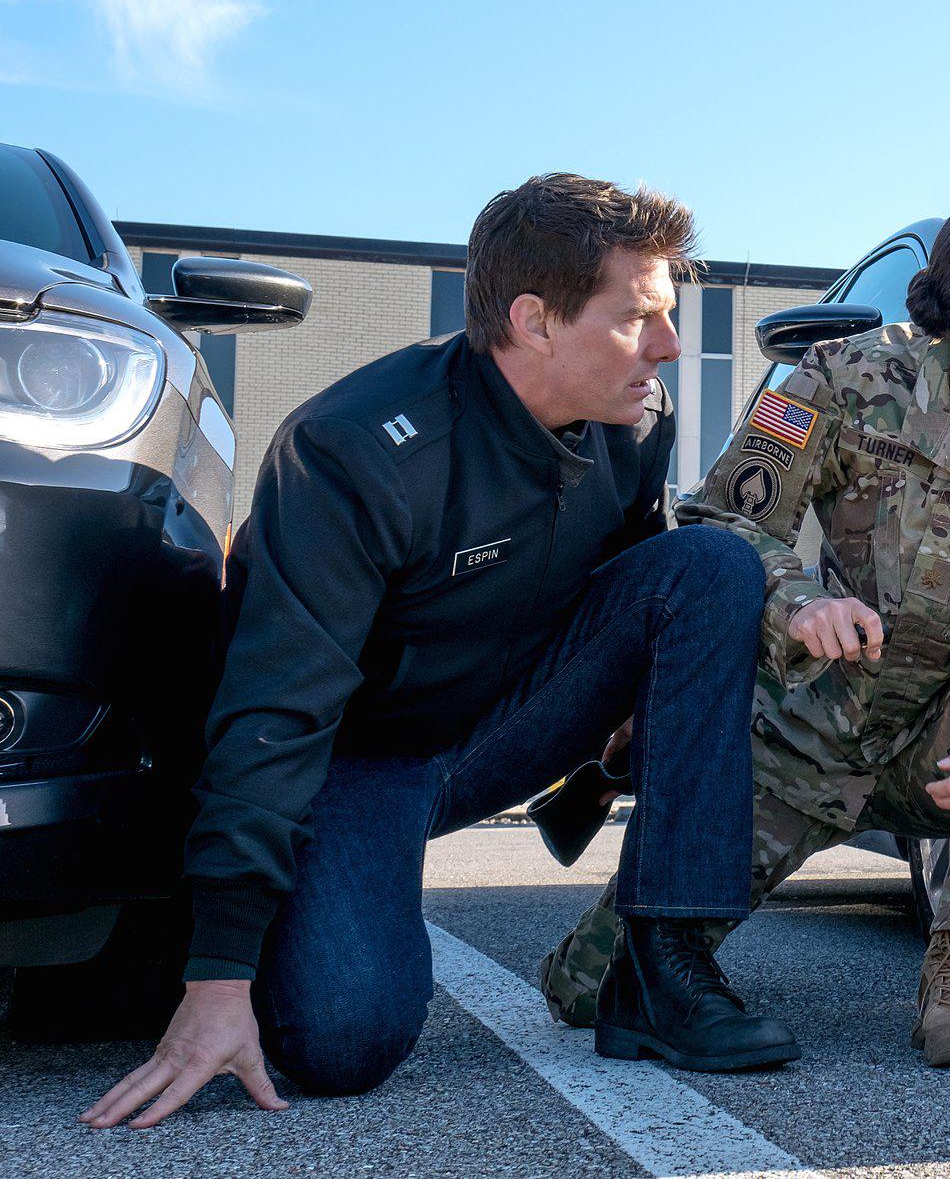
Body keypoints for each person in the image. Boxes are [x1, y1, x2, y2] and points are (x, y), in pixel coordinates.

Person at [83, 174, 796, 1132]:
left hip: (502, 728)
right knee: (345, 1039)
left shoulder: (637, 417)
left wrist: (641, 714)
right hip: (355, 759)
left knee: (710, 565)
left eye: (669, 315)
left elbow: (638, 580)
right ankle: (239, 908)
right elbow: (276, 708)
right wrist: (219, 971)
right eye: (639, 318)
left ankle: (661, 972)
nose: (669, 345)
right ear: (534, 321)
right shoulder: (353, 451)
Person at [541, 185, 950, 1067]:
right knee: (589, 990)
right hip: (807, 733)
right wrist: (799, 602)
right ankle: (615, 785)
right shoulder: (842, 378)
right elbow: (721, 522)